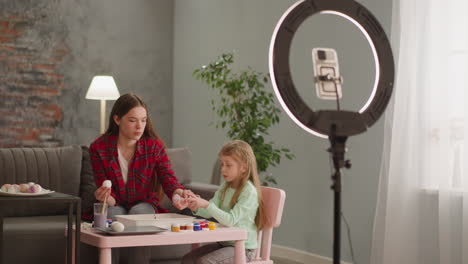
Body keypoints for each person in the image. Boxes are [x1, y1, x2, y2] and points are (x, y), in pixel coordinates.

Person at [89, 93, 194, 264]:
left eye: (143, 120)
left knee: (140, 215)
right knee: (113, 216)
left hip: (143, 202)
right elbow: (102, 184)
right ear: (117, 119)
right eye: (132, 120)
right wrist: (106, 198)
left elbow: (168, 179)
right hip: (115, 203)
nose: (139, 126)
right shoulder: (98, 148)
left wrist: (179, 192)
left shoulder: (154, 146)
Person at [182, 140, 268, 264]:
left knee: (204, 262)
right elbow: (209, 212)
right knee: (188, 260)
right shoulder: (225, 187)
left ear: (243, 167)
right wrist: (195, 205)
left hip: (243, 248)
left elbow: (230, 221)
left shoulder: (248, 192)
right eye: (222, 164)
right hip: (224, 243)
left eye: (228, 165)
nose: (223, 169)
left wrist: (206, 204)